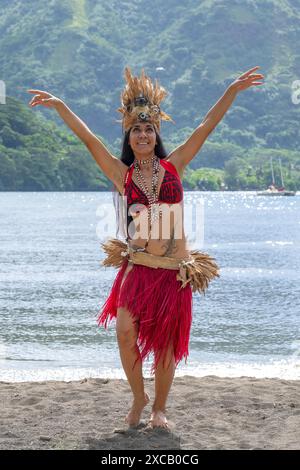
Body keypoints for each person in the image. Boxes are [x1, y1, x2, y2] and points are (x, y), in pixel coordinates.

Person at [27, 65, 264, 430]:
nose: (142, 134)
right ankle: (139, 396)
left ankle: (159, 408)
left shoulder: (176, 165)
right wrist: (61, 107)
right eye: (136, 129)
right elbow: (89, 139)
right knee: (125, 332)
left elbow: (206, 126)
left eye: (148, 129)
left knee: (166, 348)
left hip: (173, 273)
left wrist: (231, 90)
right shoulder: (122, 176)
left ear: (156, 134)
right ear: (129, 135)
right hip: (137, 269)